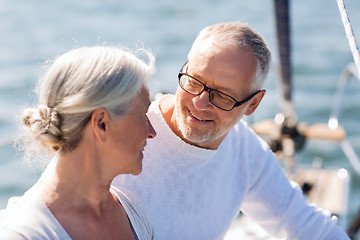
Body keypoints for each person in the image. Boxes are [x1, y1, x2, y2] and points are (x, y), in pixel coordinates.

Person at [112, 22, 351, 239]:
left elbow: (304, 225)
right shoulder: (125, 136)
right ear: (185, 67)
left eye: (223, 97)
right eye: (194, 81)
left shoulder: (244, 150)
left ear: (253, 104)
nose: (199, 103)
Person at [0, 46, 156, 239]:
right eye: (143, 114)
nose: (152, 132)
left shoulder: (133, 212)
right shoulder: (25, 235)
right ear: (101, 124)